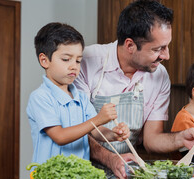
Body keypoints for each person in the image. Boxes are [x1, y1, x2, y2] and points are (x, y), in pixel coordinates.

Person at [74, 0, 194, 179]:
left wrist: (182, 138)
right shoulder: (86, 62)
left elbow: (151, 139)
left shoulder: (159, 75)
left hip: (125, 175)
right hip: (81, 173)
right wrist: (111, 159)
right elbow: (76, 132)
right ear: (130, 45)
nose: (166, 56)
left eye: (167, 46)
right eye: (158, 49)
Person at [27, 22, 130, 164]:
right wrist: (98, 119)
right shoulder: (40, 97)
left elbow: (96, 131)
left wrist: (113, 134)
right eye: (66, 59)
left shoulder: (81, 97)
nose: (73, 66)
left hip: (79, 177)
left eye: (78, 61)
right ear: (44, 60)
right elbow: (60, 137)